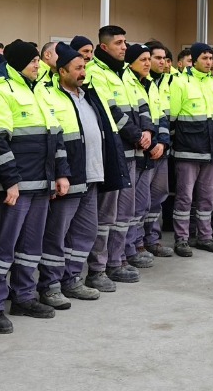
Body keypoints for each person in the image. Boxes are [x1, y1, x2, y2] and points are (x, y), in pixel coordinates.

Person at [0, 40, 69, 329]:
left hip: (41, 183)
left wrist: (61, 174)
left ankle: (24, 297)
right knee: (3, 247)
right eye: (33, 61)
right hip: (17, 187)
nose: (38, 65)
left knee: (31, 246)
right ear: (19, 63)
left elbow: (56, 138)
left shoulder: (40, 90)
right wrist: (11, 181)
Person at [35, 44, 127, 307]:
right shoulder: (49, 95)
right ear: (61, 70)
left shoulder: (88, 95)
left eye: (84, 67)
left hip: (92, 175)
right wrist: (59, 174)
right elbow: (53, 139)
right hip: (69, 176)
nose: (82, 72)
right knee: (57, 235)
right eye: (77, 68)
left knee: (85, 232)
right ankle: (50, 286)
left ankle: (72, 279)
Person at [86, 27, 153, 286]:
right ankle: (99, 268)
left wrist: (147, 130)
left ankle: (119, 258)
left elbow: (142, 103)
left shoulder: (125, 72)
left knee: (125, 211)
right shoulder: (96, 74)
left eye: (125, 42)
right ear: (104, 47)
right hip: (116, 153)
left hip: (135, 151)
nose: (124, 47)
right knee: (107, 214)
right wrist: (138, 135)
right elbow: (111, 112)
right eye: (119, 43)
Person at [167, 43, 213, 256]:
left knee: (207, 197)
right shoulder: (180, 82)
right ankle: (181, 239)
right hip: (187, 151)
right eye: (205, 59)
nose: (209, 63)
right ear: (195, 59)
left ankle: (205, 237)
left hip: (211, 151)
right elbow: (171, 119)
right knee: (185, 197)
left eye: (211, 58)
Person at [126, 44, 172, 264]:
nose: (160, 62)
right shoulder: (131, 82)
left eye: (164, 58)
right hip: (144, 149)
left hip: (158, 150)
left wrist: (162, 142)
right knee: (138, 202)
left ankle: (150, 238)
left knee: (156, 197)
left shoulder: (153, 84)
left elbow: (162, 116)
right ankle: (136, 244)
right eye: (155, 58)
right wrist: (152, 143)